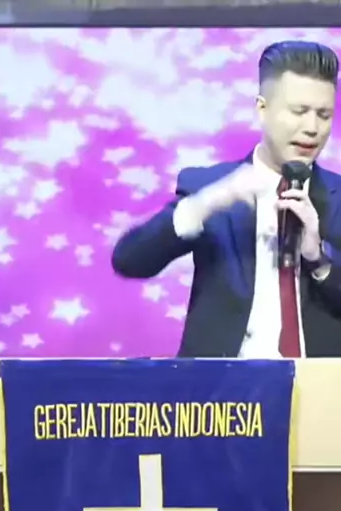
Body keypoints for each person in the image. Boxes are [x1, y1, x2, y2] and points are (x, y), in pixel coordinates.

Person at [112, 41, 341, 358]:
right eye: (299, 112)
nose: (312, 128)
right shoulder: (211, 188)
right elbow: (130, 261)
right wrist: (203, 206)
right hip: (224, 384)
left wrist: (318, 258)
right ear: (262, 109)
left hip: (320, 383)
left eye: (324, 115)